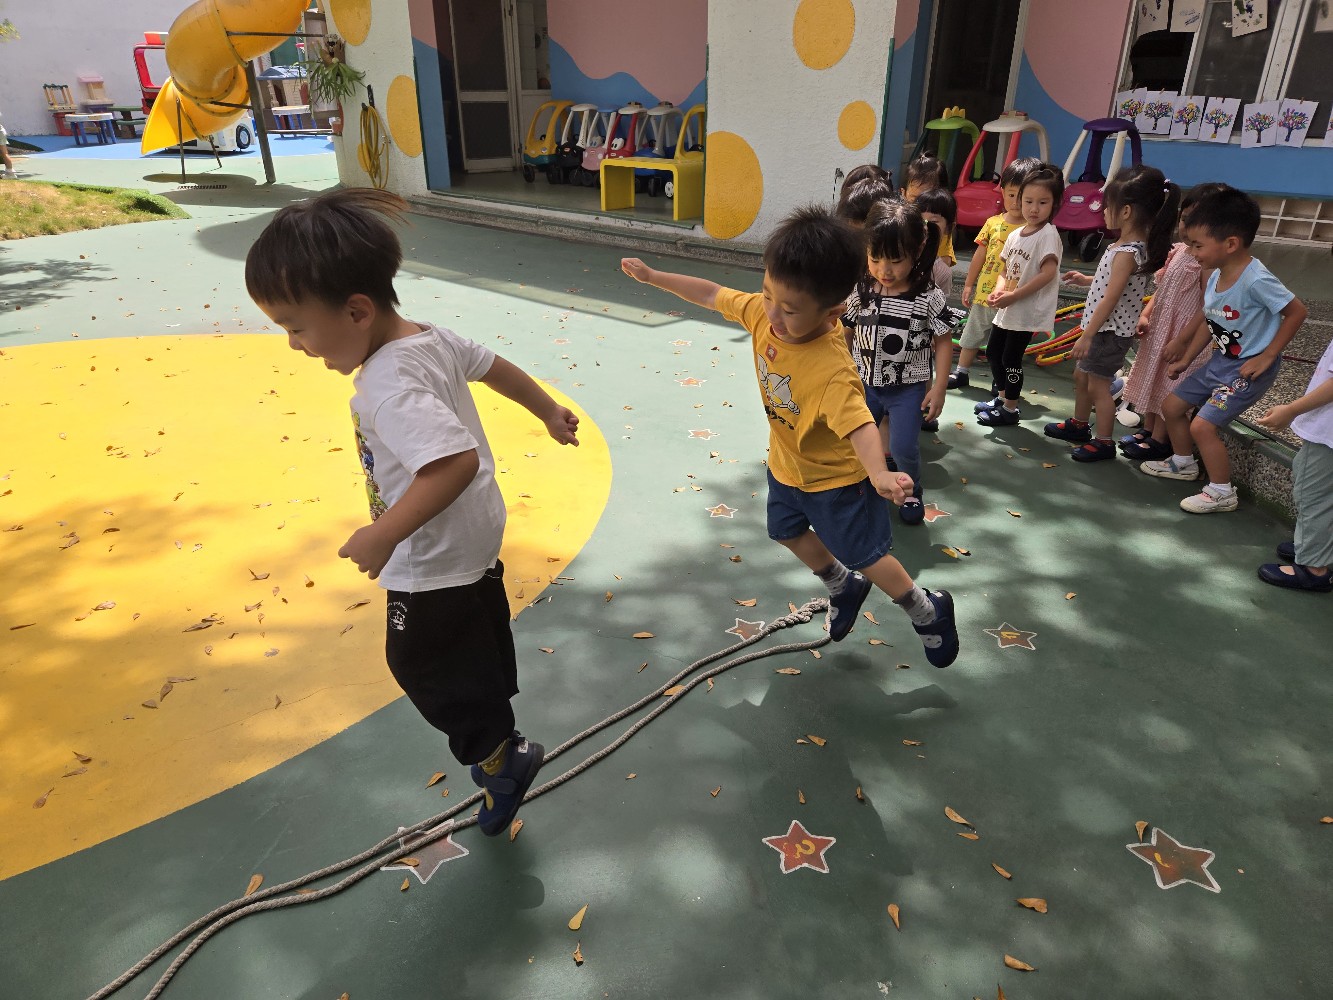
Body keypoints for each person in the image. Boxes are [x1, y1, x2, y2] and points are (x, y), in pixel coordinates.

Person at [244, 189, 581, 836]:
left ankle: (501, 758)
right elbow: (494, 367)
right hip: (475, 532)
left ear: (356, 311)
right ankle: (498, 712)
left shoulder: (388, 384)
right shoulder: (428, 338)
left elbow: (452, 464)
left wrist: (383, 534)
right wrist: (545, 409)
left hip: (431, 550)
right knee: (471, 629)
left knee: (418, 660)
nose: (293, 344)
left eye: (295, 326)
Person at [620, 205, 959, 667]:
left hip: (836, 481)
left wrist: (880, 474)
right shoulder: (766, 314)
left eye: (791, 310)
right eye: (767, 295)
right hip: (787, 466)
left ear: (833, 311)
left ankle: (927, 609)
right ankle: (843, 586)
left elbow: (860, 423)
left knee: (866, 555)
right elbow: (713, 293)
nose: (773, 315)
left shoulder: (832, 369)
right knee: (785, 530)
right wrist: (653, 276)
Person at [1141, 185, 1309, 514]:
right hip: (1221, 362)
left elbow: (1297, 312)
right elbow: (1211, 318)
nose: (1192, 252)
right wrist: (1187, 358)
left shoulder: (1256, 279)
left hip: (1247, 370)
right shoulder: (1217, 274)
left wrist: (1267, 355)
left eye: (1197, 245)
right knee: (1172, 406)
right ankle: (1183, 462)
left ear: (1230, 244)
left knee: (1202, 426)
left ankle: (1221, 491)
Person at [1045, 165, 1181, 461]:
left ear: (1126, 211)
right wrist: (1087, 280)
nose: (1103, 211)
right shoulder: (1125, 247)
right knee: (1082, 376)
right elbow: (1113, 283)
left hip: (1108, 332)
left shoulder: (1128, 252)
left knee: (1099, 387)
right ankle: (1079, 424)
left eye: (1107, 206)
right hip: (1104, 329)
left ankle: (1104, 442)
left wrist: (1087, 335)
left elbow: (1111, 297)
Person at [842, 199, 954, 523]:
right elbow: (846, 330)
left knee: (904, 447)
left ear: (916, 252)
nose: (884, 270)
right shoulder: (862, 290)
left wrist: (939, 387)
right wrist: (843, 370)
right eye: (875, 258)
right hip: (865, 384)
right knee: (856, 440)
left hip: (908, 389)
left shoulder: (927, 296)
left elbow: (943, 340)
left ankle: (911, 491)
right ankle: (860, 483)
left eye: (895, 260)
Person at [1118, 183, 1227, 460]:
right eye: (1184, 219)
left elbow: (1208, 307)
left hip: (1184, 336)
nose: (1186, 228)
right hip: (1162, 329)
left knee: (1170, 386)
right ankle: (1149, 428)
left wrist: (1182, 340)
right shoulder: (1178, 251)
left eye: (1196, 221)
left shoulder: (1207, 263)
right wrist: (1146, 314)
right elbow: (1162, 289)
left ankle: (1160, 439)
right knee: (1154, 379)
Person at [975, 164, 1065, 427]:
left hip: (1026, 311)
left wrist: (1014, 296)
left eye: (1042, 202)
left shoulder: (1048, 235)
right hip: (1008, 308)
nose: (1034, 208)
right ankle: (1003, 397)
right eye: (1028, 201)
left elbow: (1048, 273)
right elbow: (1005, 269)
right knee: (994, 352)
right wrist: (999, 289)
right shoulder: (1015, 234)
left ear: (1054, 204)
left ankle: (1011, 408)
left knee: (1011, 359)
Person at [949, 157, 1040, 392]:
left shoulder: (1033, 230)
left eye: (1023, 196)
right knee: (971, 335)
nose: (1016, 202)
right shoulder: (992, 223)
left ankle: (999, 380)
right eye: (1011, 194)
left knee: (1002, 345)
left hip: (1012, 300)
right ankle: (961, 372)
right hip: (985, 294)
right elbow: (979, 256)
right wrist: (968, 284)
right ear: (1002, 192)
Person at [1253, 336, 1333, 591]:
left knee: (1312, 494)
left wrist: (1291, 410)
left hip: (1328, 434)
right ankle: (1318, 547)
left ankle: (1313, 568)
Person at [0, 111, 17, 179]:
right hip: (1, 132)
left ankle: (10, 174)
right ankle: (10, 173)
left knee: (4, 153)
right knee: (4, 153)